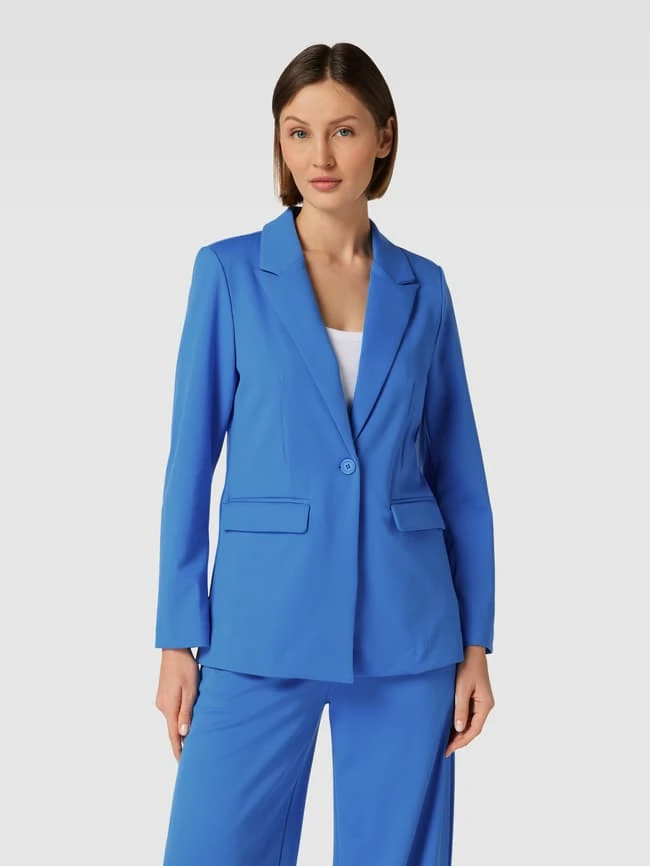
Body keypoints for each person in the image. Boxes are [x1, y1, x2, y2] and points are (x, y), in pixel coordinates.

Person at [154, 41, 495, 866]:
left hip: (409, 627)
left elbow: (459, 475)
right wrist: (175, 637)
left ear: (384, 137)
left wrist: (477, 643)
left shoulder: (425, 286)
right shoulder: (230, 272)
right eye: (298, 132)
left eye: (343, 130)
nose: (320, 156)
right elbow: (188, 463)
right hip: (260, 622)